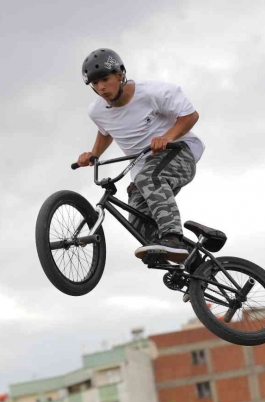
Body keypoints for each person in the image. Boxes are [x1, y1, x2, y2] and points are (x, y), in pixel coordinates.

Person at [76, 48, 205, 263]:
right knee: (138, 224)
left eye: (106, 80)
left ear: (120, 75)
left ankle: (172, 236)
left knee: (149, 177)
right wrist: (93, 154)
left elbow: (190, 116)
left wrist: (168, 137)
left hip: (180, 152)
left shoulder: (154, 93)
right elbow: (106, 130)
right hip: (143, 169)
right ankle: (198, 276)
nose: (101, 88)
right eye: (95, 84)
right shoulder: (97, 111)